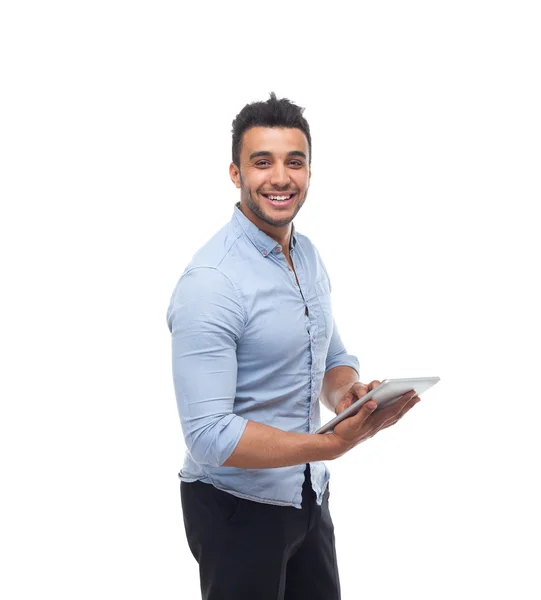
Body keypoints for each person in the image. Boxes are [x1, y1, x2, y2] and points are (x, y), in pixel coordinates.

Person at [166, 92, 421, 600]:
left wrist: (350, 394)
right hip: (234, 506)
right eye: (262, 162)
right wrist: (329, 444)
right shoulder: (211, 283)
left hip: (307, 493)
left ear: (309, 171)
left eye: (294, 161)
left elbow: (330, 358)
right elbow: (209, 436)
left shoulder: (306, 255)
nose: (280, 177)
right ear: (236, 174)